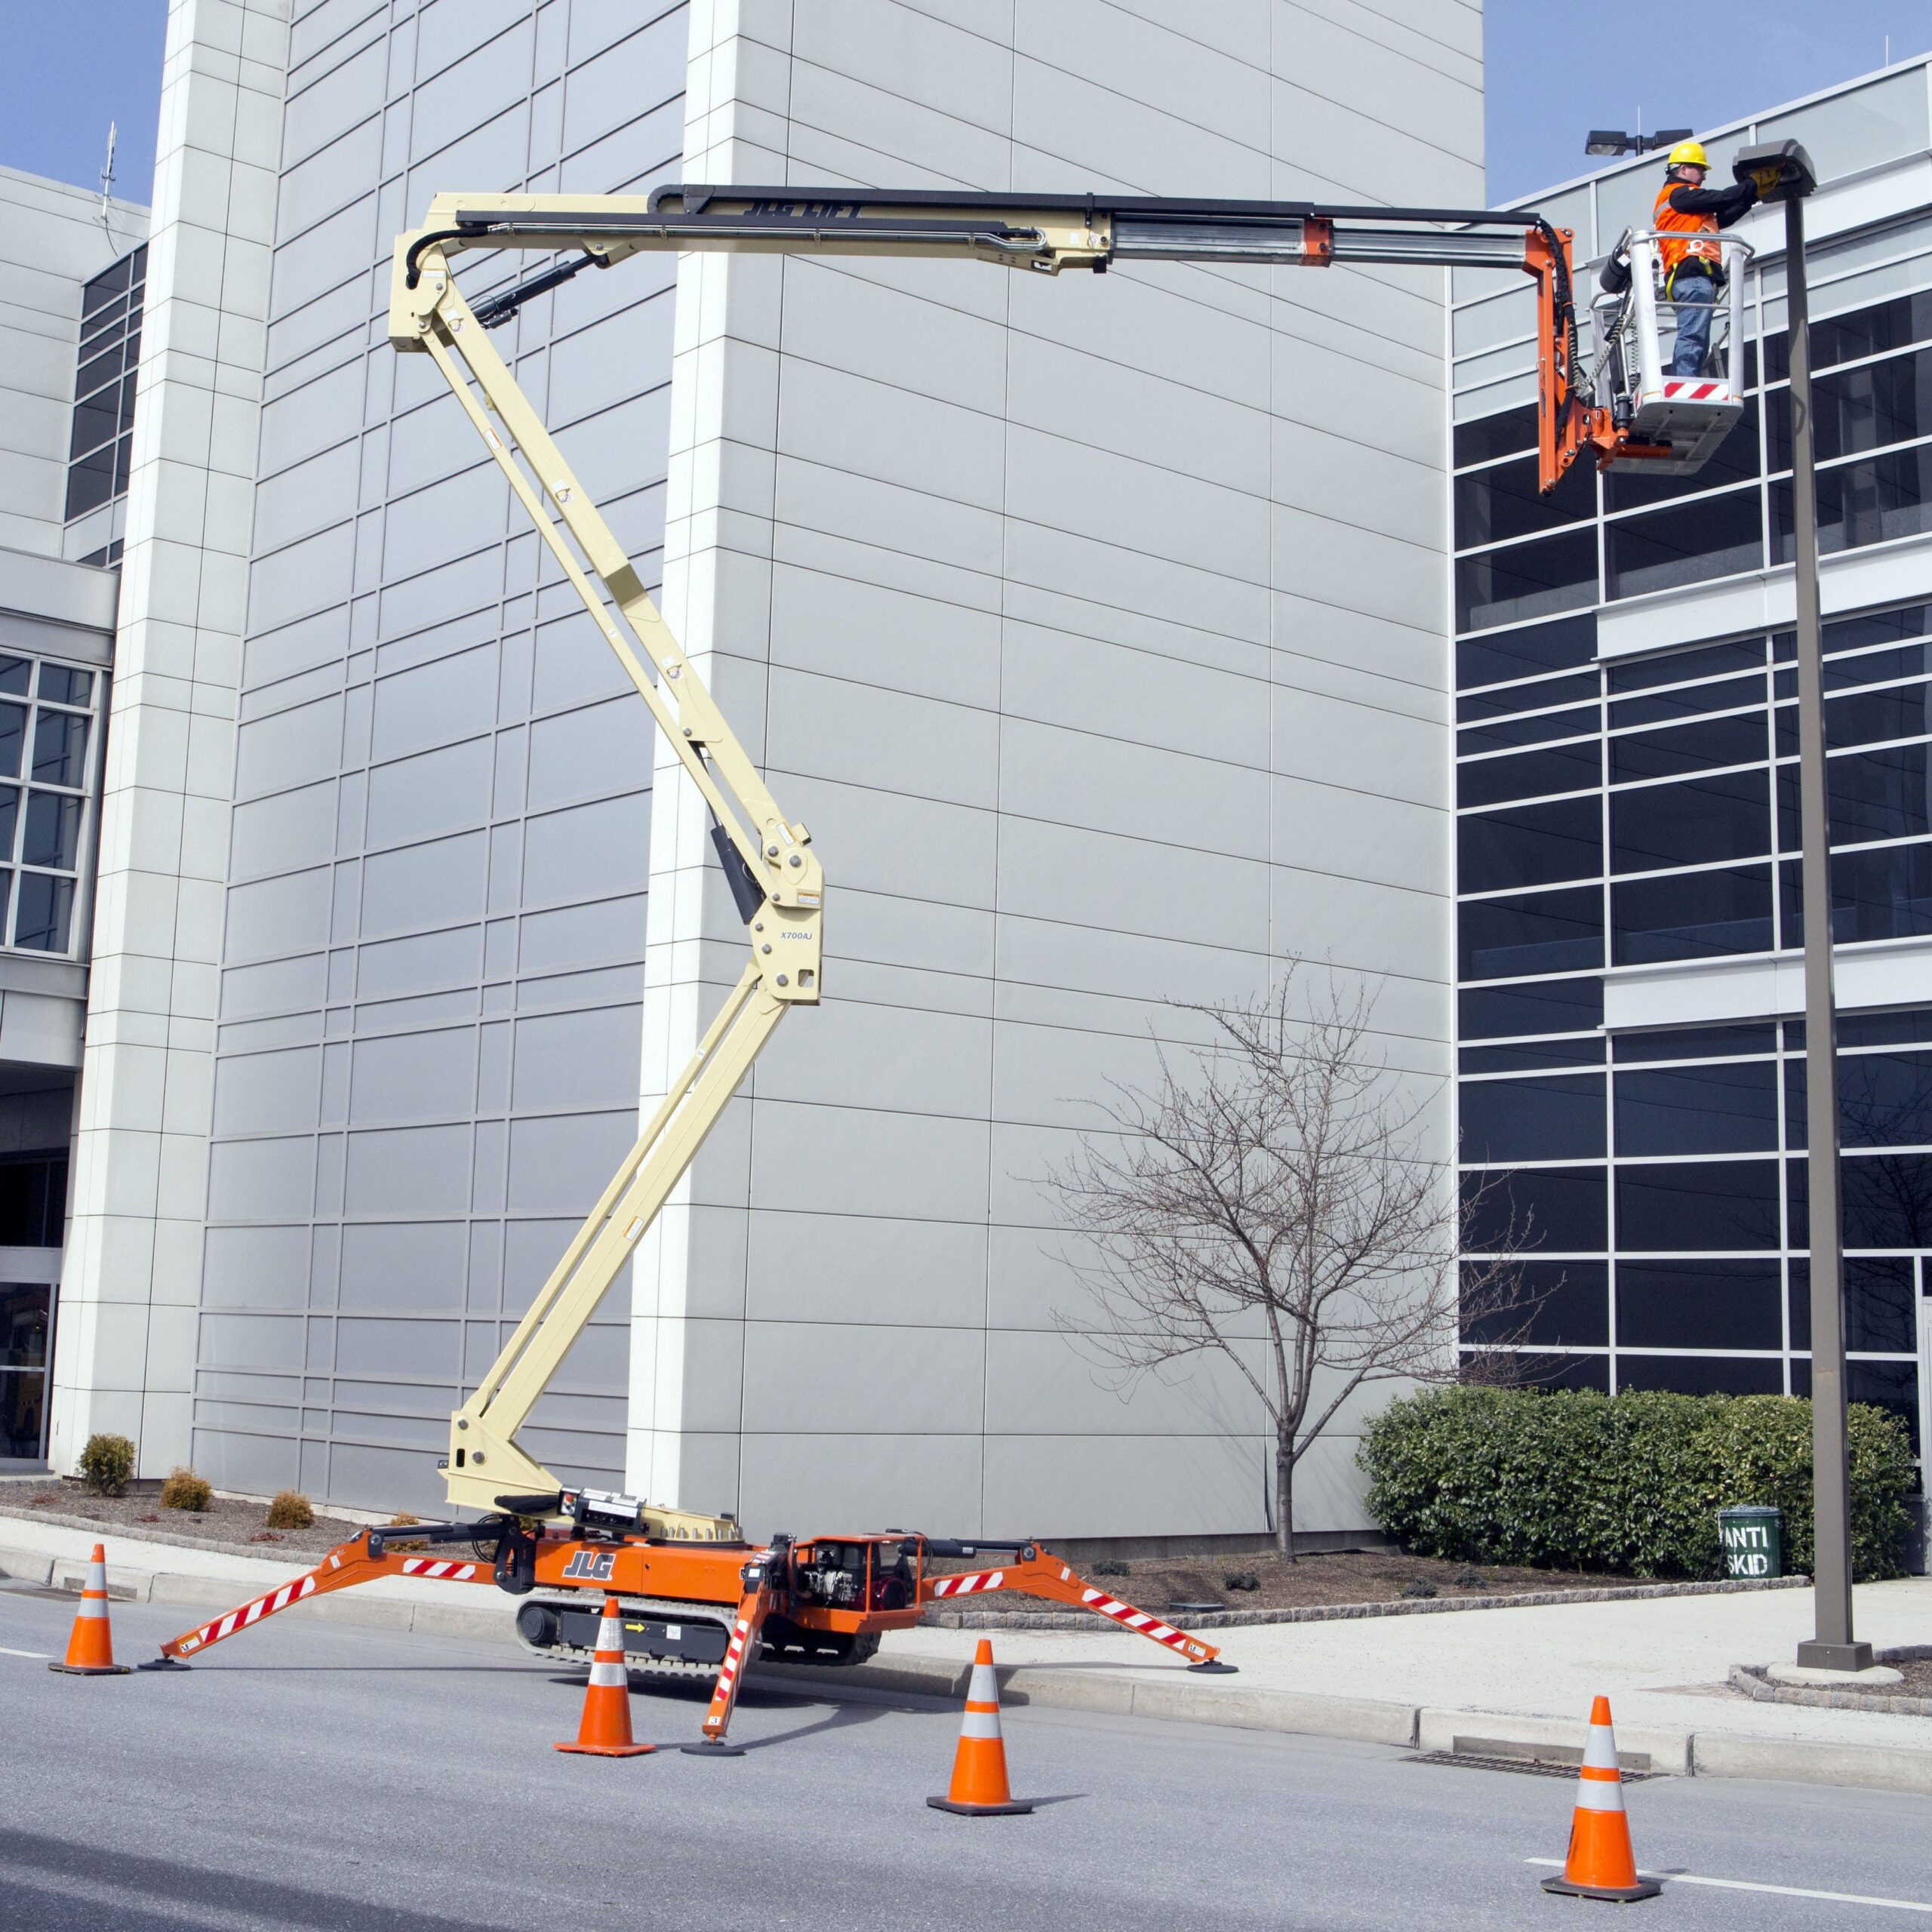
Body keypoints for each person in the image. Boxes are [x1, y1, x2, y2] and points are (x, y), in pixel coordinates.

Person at [1654, 140, 1758, 376]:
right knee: (1693, 337)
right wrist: (1752, 184)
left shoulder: (1687, 206)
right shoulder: (1678, 195)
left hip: (1694, 277)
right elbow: (1721, 198)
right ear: (1682, 169)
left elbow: (1723, 217)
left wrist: (1753, 195)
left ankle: (1689, 380)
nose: (1703, 176)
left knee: (1696, 336)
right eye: (1700, 169)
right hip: (1691, 275)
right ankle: (1686, 384)